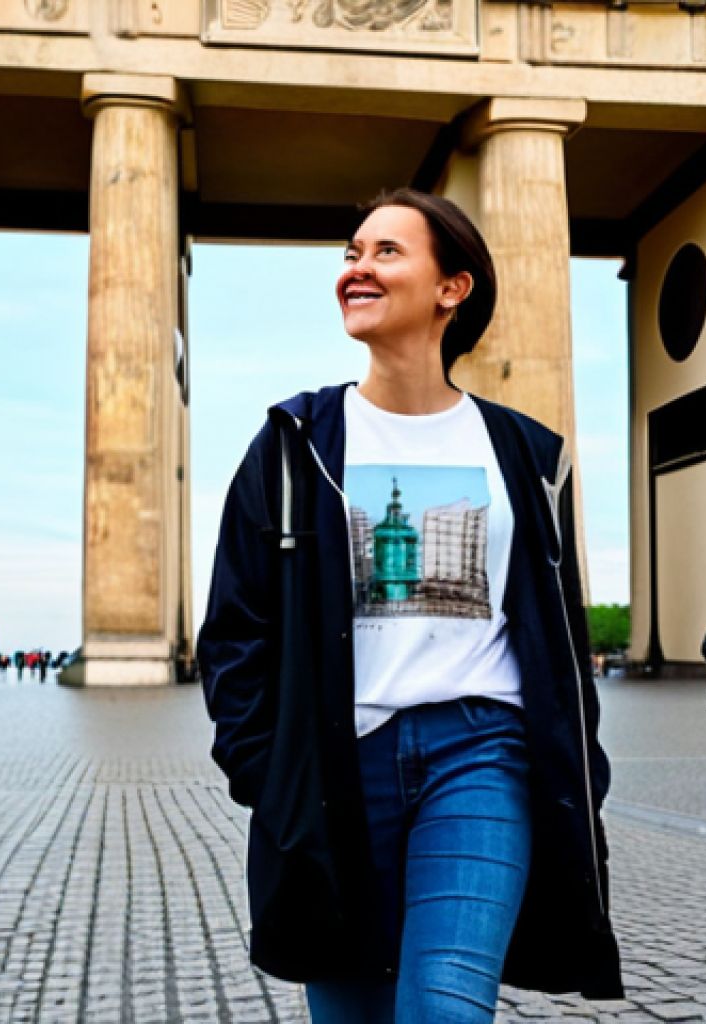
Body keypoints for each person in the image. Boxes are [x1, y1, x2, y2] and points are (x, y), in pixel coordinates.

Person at [198, 189, 622, 1024]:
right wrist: (268, 773)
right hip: (335, 772)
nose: (357, 267)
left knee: (446, 1008)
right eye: (351, 252)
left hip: (482, 754)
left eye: (386, 251)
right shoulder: (293, 443)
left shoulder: (528, 456)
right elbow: (234, 629)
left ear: (451, 288)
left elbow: (559, 638)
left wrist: (579, 767)